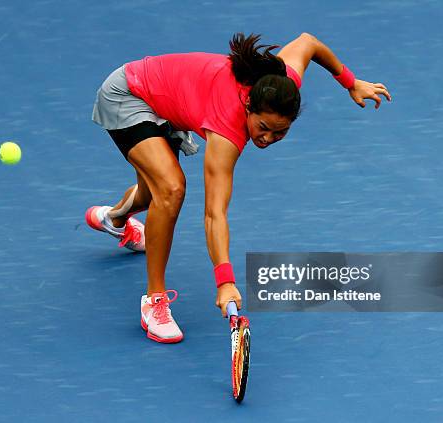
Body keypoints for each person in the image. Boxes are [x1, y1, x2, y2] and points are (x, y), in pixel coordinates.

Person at [87, 32, 391, 343]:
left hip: (168, 100)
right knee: (171, 188)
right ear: (248, 105)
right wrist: (225, 281)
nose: (267, 139)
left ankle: (115, 218)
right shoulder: (226, 129)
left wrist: (350, 82)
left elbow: (308, 43)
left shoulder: (281, 85)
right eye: (262, 128)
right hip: (129, 93)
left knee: (153, 192)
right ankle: (154, 301)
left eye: (280, 132)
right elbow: (214, 213)